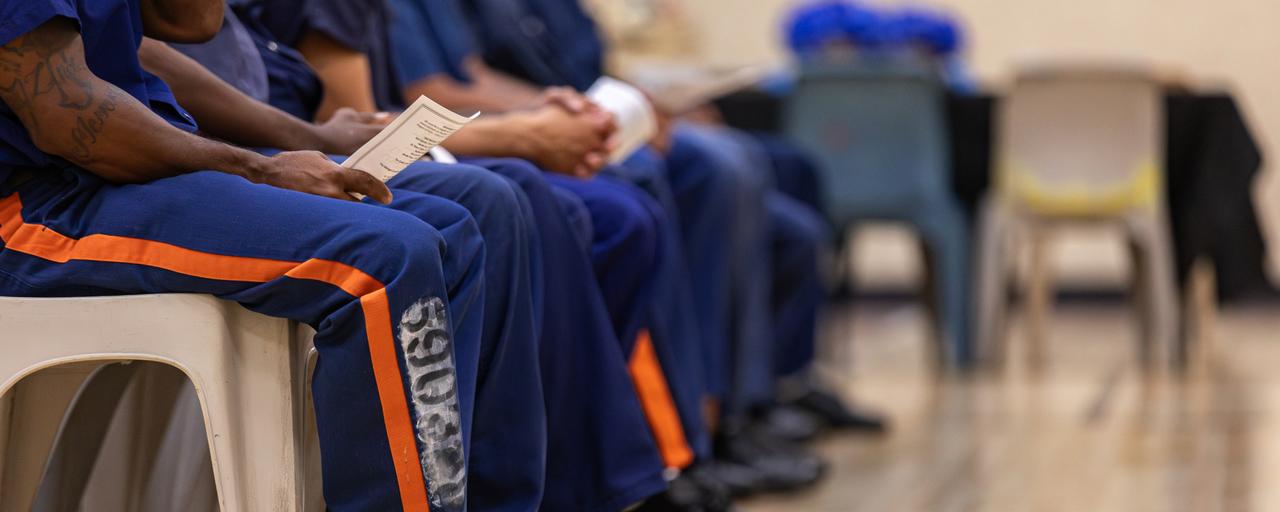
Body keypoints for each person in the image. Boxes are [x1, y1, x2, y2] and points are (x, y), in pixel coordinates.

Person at [0, 0, 537, 510]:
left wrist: (297, 145)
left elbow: (189, 25)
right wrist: (262, 169)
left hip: (120, 171)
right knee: (386, 260)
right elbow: (64, 113)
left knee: (458, 225)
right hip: (33, 204)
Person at [171, 1, 695, 509]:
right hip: (235, 156)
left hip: (291, 141)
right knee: (453, 223)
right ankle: (568, 484)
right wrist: (525, 131)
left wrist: (540, 117)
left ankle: (573, 480)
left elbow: (447, 82)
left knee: (556, 204)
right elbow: (363, 111)